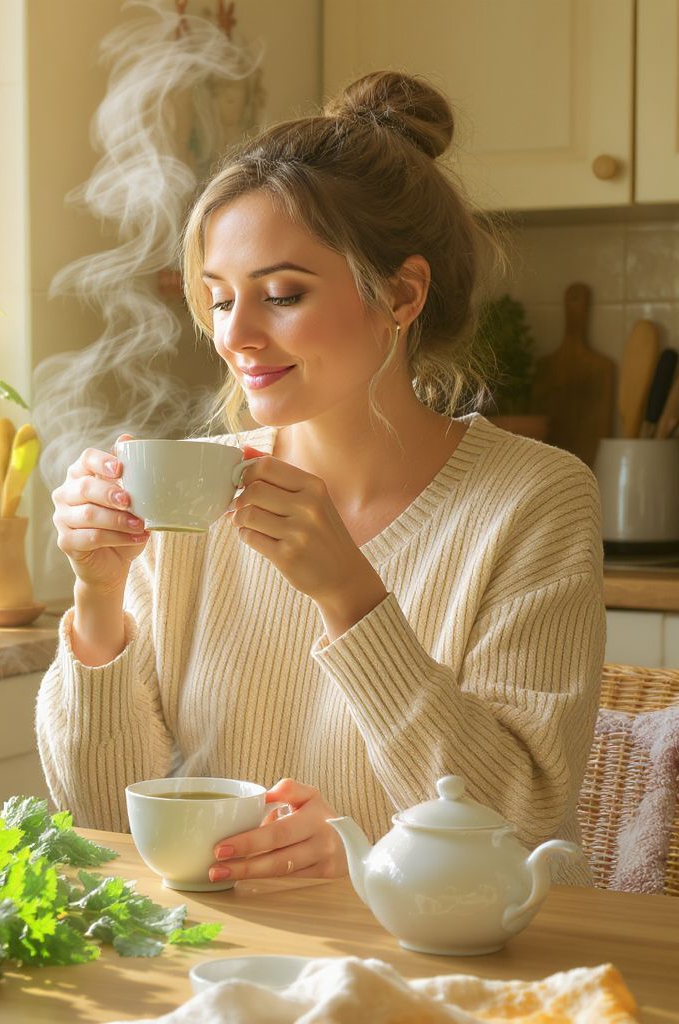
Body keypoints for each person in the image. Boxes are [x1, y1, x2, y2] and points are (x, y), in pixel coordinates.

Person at [36, 70, 604, 886]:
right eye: (220, 300)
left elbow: (520, 820)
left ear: (402, 294)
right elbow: (101, 823)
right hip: (238, 953)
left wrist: (351, 597)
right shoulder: (193, 498)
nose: (237, 336)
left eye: (281, 295)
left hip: (450, 957)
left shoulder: (534, 499)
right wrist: (98, 598)